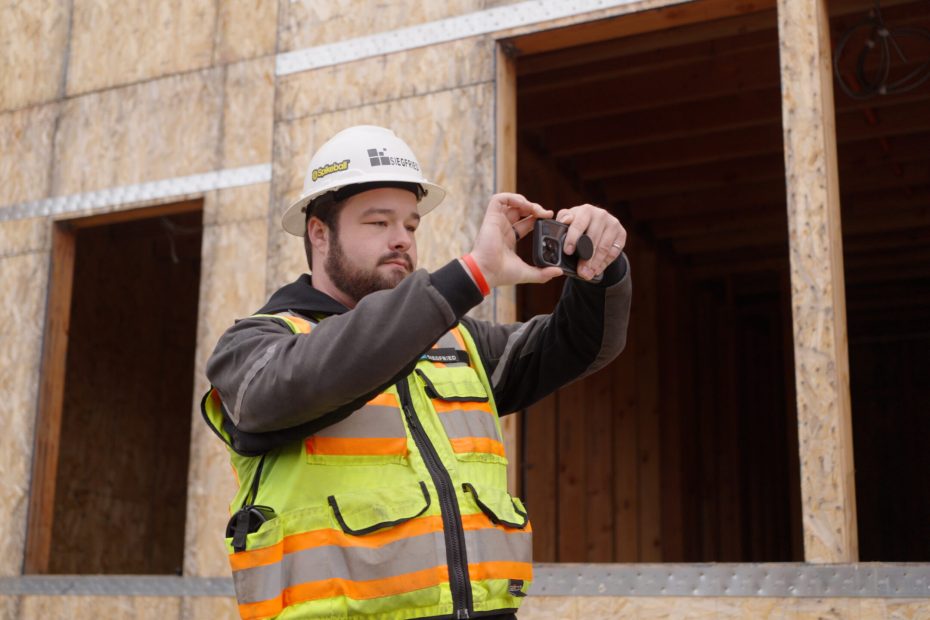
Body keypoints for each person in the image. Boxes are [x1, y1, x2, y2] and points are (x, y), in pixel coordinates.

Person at [202, 125, 632, 620]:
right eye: (379, 223)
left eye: (410, 225)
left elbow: (579, 344)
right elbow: (313, 376)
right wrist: (473, 274)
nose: (401, 240)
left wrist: (601, 273)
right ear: (319, 233)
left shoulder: (459, 340)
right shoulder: (253, 347)